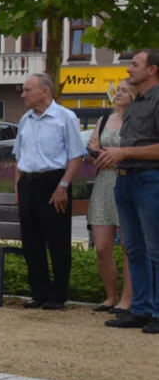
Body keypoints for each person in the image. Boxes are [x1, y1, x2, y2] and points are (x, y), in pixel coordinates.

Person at [96, 50, 159, 334]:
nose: (128, 69)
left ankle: (156, 312)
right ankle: (141, 308)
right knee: (134, 249)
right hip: (124, 182)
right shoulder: (134, 106)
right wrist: (110, 155)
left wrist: (124, 152)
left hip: (150, 182)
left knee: (155, 250)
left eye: (134, 64)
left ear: (153, 69)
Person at [12, 73, 86, 310]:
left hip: (53, 182)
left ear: (44, 91)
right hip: (28, 183)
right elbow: (19, 157)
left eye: (27, 90)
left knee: (58, 240)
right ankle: (39, 292)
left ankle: (58, 294)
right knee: (31, 241)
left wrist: (63, 186)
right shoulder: (25, 120)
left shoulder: (65, 117)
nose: (23, 95)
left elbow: (76, 156)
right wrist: (18, 188)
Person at [84, 80, 135, 313]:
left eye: (124, 90)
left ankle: (128, 300)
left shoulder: (138, 122)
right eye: (118, 90)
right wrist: (100, 155)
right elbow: (90, 152)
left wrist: (108, 154)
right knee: (102, 247)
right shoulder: (104, 120)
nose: (119, 93)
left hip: (127, 181)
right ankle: (110, 297)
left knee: (128, 246)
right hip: (104, 184)